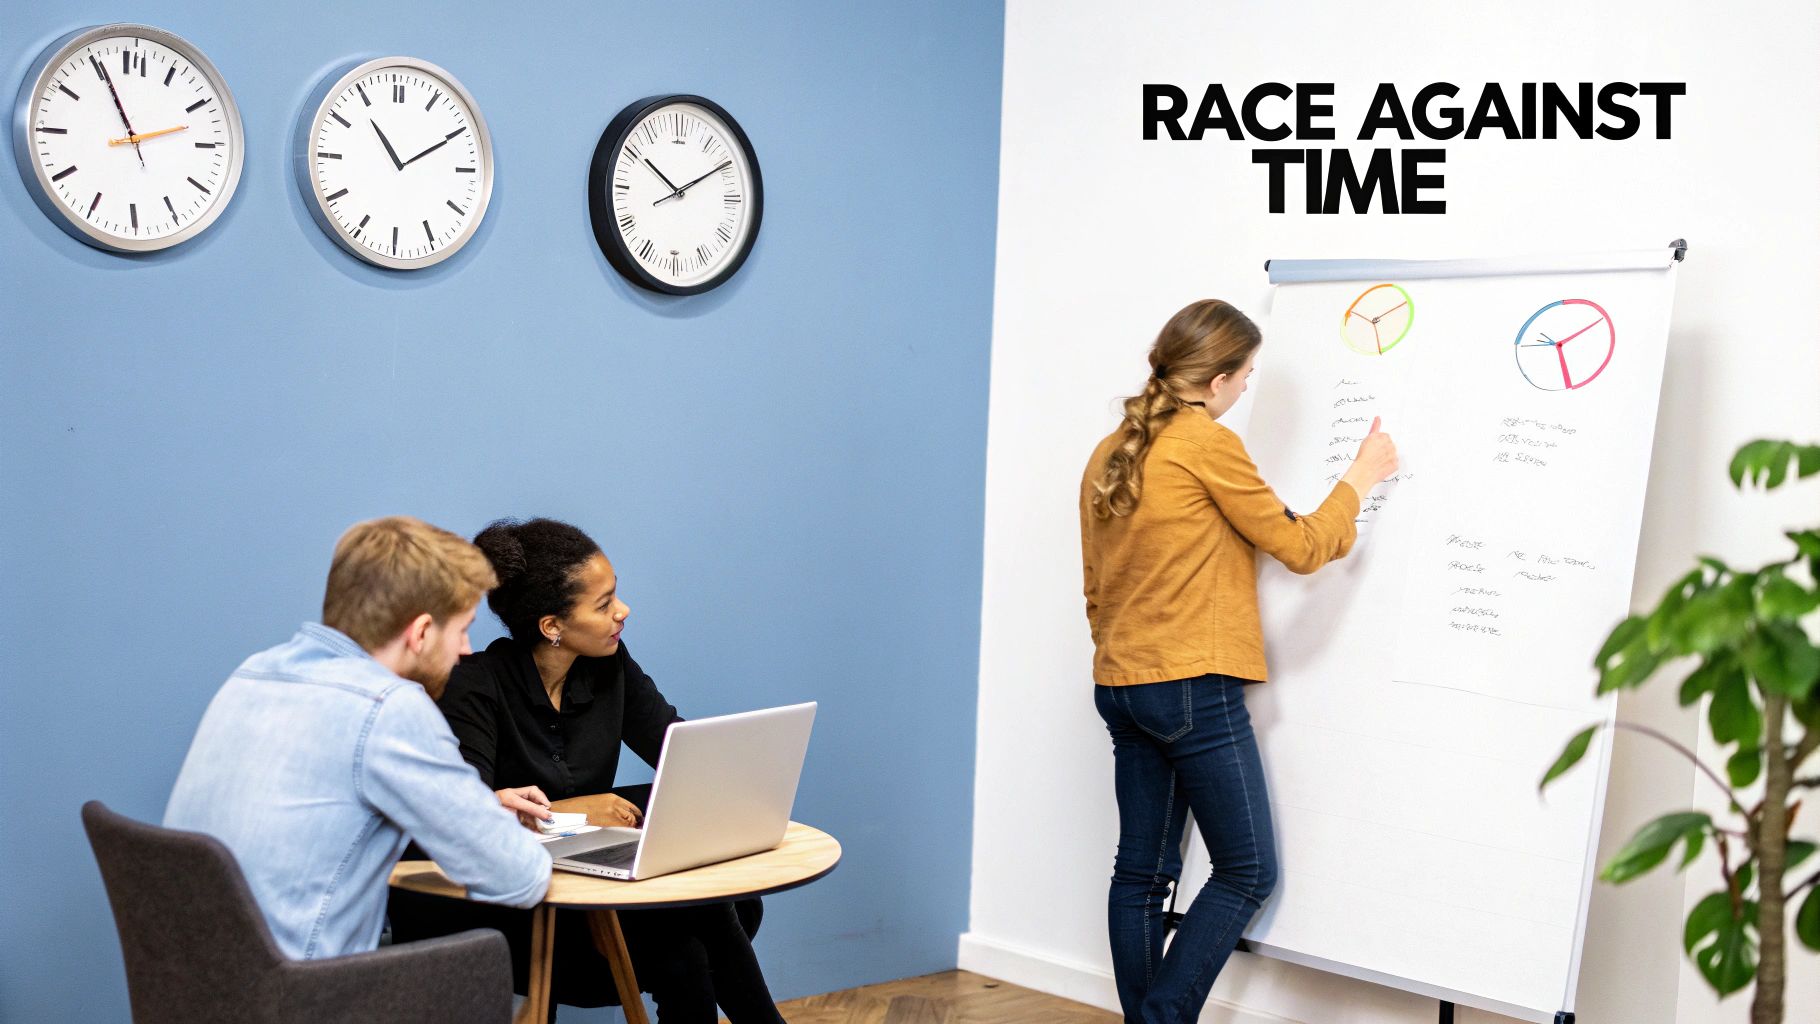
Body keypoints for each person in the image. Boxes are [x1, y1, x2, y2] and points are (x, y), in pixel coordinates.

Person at [1078, 299, 1399, 1023]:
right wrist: (1360, 476)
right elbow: (1303, 547)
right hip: (1191, 686)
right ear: (1217, 378)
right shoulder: (1202, 443)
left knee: (1143, 872)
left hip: (1121, 682)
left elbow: (1096, 586)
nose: (1249, 387)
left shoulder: (1112, 448)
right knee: (1248, 869)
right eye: (1247, 374)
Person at [389, 517, 785, 1023]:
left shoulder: (609, 666)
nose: (623, 612)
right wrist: (571, 811)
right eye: (603, 604)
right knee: (692, 942)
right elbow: (463, 821)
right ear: (551, 626)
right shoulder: (475, 685)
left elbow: (680, 751)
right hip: (500, 911)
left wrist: (740, 772)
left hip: (588, 898)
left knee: (700, 931)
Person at [164, 516, 553, 961]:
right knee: (481, 960)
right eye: (461, 629)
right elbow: (519, 878)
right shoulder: (388, 707)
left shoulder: (253, 675)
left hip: (194, 985)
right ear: (421, 632)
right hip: (304, 995)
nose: (466, 650)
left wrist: (476, 807)